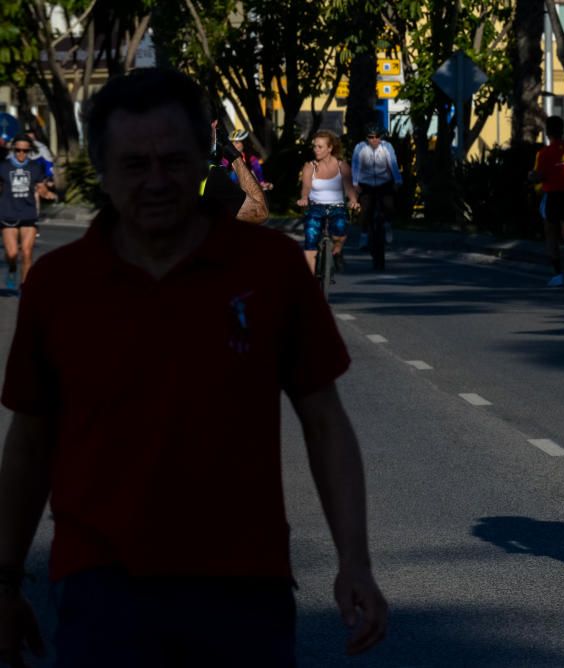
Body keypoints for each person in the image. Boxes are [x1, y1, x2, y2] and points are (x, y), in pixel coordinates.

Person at [0, 68, 387, 666]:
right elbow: (29, 443)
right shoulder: (57, 286)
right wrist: (5, 579)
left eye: (173, 161)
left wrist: (354, 560)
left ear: (201, 158)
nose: (156, 181)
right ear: (102, 170)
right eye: (133, 164)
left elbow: (325, 422)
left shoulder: (272, 272)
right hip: (99, 586)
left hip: (242, 587)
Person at [530, 115, 564, 288]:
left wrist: (531, 177)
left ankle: (558, 274)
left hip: (552, 195)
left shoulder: (544, 153)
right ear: (562, 131)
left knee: (550, 234)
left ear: (547, 132)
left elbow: (539, 175)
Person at [297, 130, 360, 275]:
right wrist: (304, 198)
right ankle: (311, 282)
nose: (316, 150)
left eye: (320, 147)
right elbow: (306, 187)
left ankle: (336, 252)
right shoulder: (309, 166)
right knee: (311, 238)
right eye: (314, 147)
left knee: (339, 232)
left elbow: (349, 187)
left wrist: (353, 200)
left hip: (337, 207)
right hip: (315, 207)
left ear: (330, 148)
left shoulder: (341, 166)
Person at [1, 133, 56, 290]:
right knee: (12, 253)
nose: (21, 154)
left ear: (29, 151)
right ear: (13, 149)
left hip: (28, 212)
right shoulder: (3, 166)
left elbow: (40, 187)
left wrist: (48, 194)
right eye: (18, 150)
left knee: (26, 252)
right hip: (8, 212)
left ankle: (25, 287)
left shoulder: (34, 167)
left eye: (24, 151)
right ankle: (12, 269)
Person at [202, 120, 269, 224]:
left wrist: (262, 182)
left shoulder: (252, 159)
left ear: (244, 144)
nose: (234, 144)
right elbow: (259, 213)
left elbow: (258, 173)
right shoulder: (215, 169)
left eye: (237, 142)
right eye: (232, 142)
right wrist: (234, 157)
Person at [351, 124, 402, 259]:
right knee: (365, 211)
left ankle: (388, 225)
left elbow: (393, 163)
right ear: (366, 138)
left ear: (381, 137)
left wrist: (397, 180)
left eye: (377, 137)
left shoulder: (387, 147)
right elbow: (355, 166)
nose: (374, 140)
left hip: (383, 182)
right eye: (371, 137)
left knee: (389, 206)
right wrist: (355, 184)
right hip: (366, 183)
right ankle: (364, 236)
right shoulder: (360, 147)